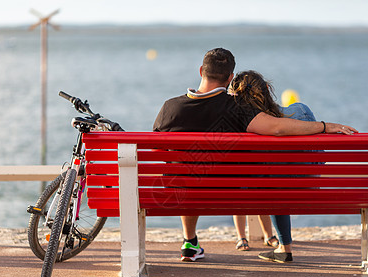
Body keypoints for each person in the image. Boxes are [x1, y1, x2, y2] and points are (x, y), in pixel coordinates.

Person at [153, 48, 357, 262]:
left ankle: (190, 242)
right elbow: (277, 127)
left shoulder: (170, 108)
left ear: (201, 70)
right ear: (230, 77)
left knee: (188, 173)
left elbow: (158, 154)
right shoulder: (237, 107)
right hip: (232, 195)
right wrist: (324, 126)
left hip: (185, 191)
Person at [229, 70, 320, 262]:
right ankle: (283, 247)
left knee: (275, 184)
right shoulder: (301, 111)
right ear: (268, 89)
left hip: (266, 195)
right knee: (281, 180)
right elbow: (319, 158)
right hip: (311, 190)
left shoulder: (242, 126)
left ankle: (285, 247)